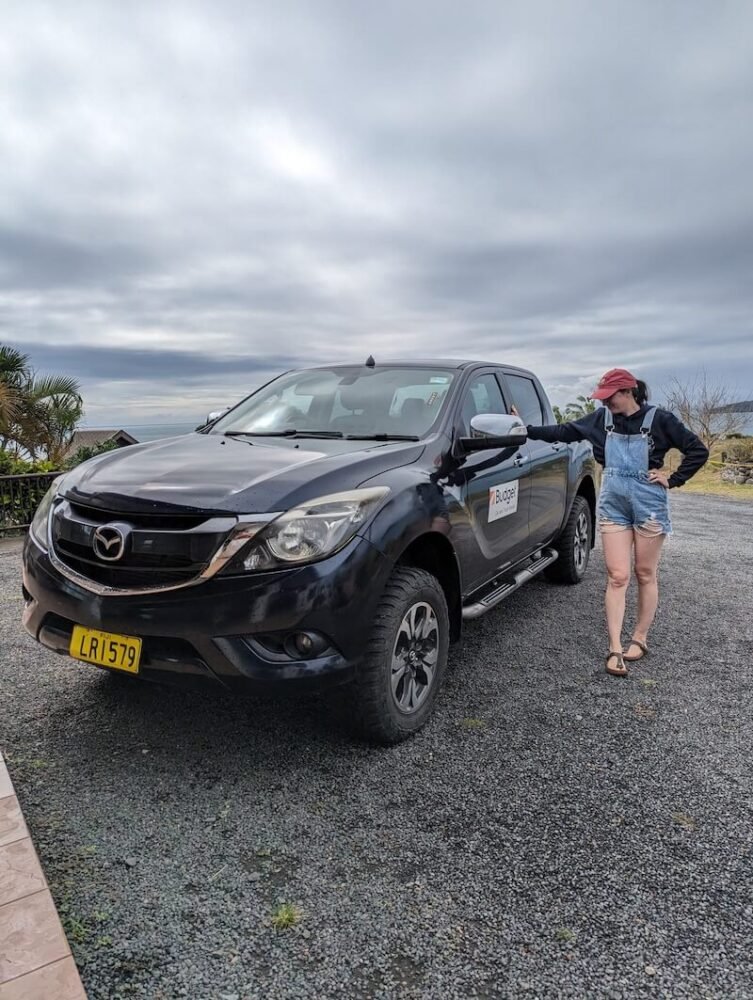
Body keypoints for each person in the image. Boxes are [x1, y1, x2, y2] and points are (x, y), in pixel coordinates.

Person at [524, 368, 709, 676]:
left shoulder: (660, 420)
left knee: (645, 572)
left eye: (609, 398)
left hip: (649, 503)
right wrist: (526, 429)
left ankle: (639, 638)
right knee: (618, 575)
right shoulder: (600, 420)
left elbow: (697, 451)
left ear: (628, 392)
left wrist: (673, 479)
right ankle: (614, 648)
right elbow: (563, 432)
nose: (605, 403)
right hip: (613, 504)